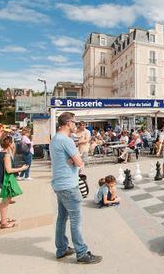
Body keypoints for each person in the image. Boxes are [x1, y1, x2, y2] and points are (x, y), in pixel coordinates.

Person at [49, 112, 102, 264]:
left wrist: (72, 160)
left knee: (62, 218)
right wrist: (74, 160)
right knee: (75, 219)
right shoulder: (66, 140)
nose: (76, 125)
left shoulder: (55, 139)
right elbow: (79, 162)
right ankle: (81, 252)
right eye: (75, 122)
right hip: (69, 185)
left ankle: (61, 248)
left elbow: (70, 160)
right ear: (68, 123)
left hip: (59, 184)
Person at [0, 135, 28, 229]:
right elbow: (9, 170)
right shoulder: (6, 155)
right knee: (5, 201)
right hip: (6, 180)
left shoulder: (1, 153)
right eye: (13, 142)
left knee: (6, 200)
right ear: (9, 143)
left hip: (2, 180)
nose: (14, 144)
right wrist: (21, 168)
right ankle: (4, 223)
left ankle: (4, 219)